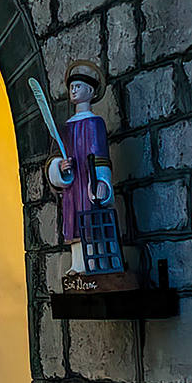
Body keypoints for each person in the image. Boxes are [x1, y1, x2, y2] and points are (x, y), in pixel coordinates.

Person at [46, 60, 122, 275]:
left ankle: (96, 264)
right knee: (73, 220)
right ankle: (77, 264)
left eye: (78, 86)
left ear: (90, 91)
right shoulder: (65, 127)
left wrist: (102, 182)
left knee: (92, 218)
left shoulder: (95, 123)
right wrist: (60, 167)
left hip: (89, 181)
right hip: (72, 185)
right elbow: (55, 156)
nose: (74, 90)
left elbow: (101, 155)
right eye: (72, 87)